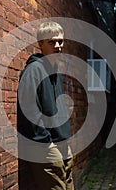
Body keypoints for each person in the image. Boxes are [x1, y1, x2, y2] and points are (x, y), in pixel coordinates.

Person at [17, 21, 74, 190]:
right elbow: (28, 109)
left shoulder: (54, 71)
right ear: (40, 44)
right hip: (47, 146)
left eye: (60, 41)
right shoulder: (34, 70)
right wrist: (46, 143)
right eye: (51, 42)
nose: (58, 46)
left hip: (63, 142)